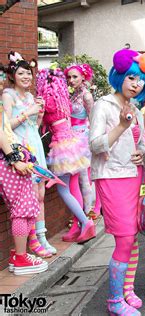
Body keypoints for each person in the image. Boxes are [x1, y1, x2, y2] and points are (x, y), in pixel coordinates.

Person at [90, 48, 145, 315]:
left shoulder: (133, 107)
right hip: (111, 177)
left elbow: (143, 144)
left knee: (132, 239)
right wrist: (121, 126)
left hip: (134, 178)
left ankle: (127, 290)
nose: (137, 84)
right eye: (132, 78)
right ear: (119, 75)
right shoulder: (103, 105)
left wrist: (142, 153)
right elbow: (96, 145)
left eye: (141, 79)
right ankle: (113, 302)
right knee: (123, 239)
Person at [2, 51, 54, 258]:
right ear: (13, 75)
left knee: (40, 194)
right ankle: (33, 241)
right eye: (22, 73)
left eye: (29, 74)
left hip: (35, 145)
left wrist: (39, 116)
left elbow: (35, 126)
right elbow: (5, 126)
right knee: (30, 197)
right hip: (22, 149)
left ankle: (42, 236)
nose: (26, 77)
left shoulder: (31, 96)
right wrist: (29, 112)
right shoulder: (8, 95)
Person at [36, 67, 96, 244]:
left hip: (62, 145)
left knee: (63, 188)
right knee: (74, 186)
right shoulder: (62, 98)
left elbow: (41, 123)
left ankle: (86, 222)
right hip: (72, 143)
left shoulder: (47, 100)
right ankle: (78, 226)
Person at [1, 102, 48, 276]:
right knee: (22, 209)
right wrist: (14, 159)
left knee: (28, 208)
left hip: (10, 158)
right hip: (8, 161)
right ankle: (20, 257)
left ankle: (18, 255)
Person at [62, 63, 99, 243]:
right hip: (70, 139)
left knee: (84, 180)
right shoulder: (72, 93)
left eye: (75, 77)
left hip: (82, 138)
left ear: (83, 77)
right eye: (69, 77)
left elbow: (93, 120)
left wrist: (91, 142)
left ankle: (87, 218)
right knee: (76, 181)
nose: (71, 80)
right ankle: (79, 221)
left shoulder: (87, 95)